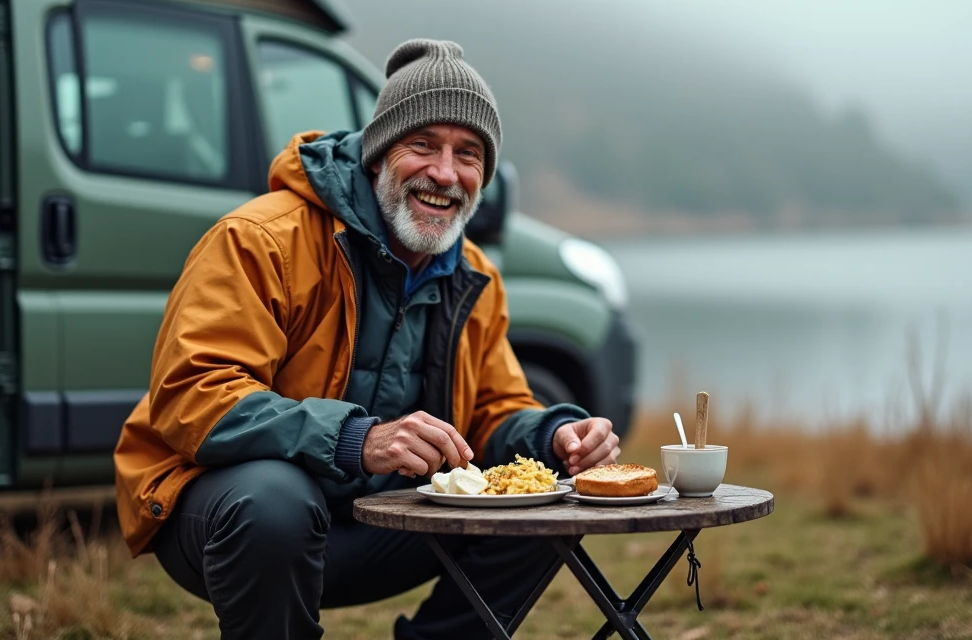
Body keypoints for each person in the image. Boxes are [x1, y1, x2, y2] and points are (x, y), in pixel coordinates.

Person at [113, 39, 621, 639]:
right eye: (422, 145)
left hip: (382, 525)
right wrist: (358, 439)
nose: (445, 173)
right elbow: (194, 395)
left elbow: (494, 408)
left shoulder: (475, 273)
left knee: (548, 506)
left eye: (468, 153)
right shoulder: (260, 239)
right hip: (232, 521)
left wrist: (553, 435)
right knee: (275, 499)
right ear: (379, 153)